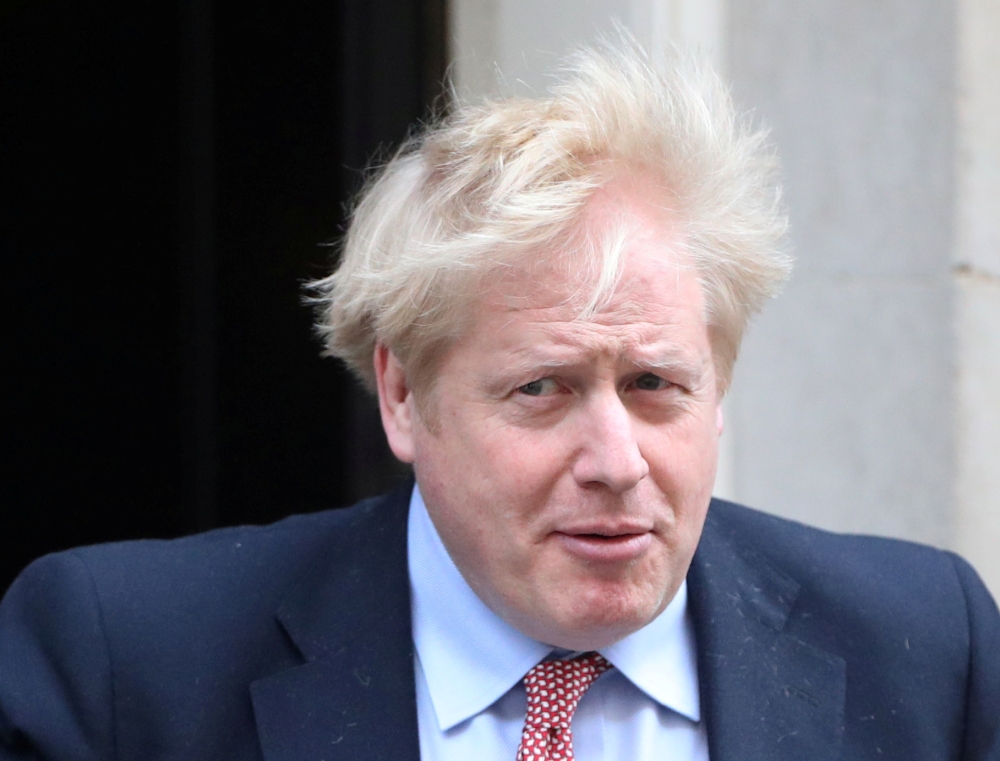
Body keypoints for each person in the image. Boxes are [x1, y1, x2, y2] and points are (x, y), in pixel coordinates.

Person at [1, 40, 998, 761]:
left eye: (654, 384)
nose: (616, 459)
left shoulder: (921, 650)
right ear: (401, 393)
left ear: (718, 386)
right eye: (542, 388)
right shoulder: (125, 664)